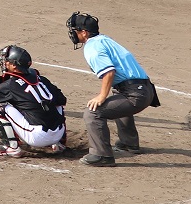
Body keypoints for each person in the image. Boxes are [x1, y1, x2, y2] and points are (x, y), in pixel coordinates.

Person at [65, 12, 159, 167]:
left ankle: (102, 155)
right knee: (118, 97)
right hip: (146, 90)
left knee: (93, 112)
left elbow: (109, 72)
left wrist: (102, 96)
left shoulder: (92, 47)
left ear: (84, 32)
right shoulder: (104, 39)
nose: (72, 34)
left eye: (74, 30)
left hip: (136, 94)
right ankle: (129, 143)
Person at [0, 45, 68, 158]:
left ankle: (12, 148)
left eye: (7, 61)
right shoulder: (42, 80)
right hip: (57, 133)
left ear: (14, 66)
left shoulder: (9, 85)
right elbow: (62, 99)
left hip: (37, 137)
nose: (4, 63)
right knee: (56, 103)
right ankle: (60, 143)